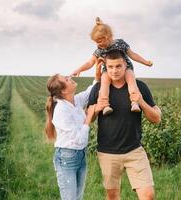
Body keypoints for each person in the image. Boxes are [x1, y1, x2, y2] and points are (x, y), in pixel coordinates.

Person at [88, 49, 161, 200]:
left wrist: (140, 101)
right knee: (113, 196)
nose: (114, 71)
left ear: (126, 65)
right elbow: (89, 118)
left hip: (134, 150)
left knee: (148, 196)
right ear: (106, 68)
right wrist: (97, 108)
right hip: (108, 152)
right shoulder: (99, 89)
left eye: (118, 66)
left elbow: (156, 118)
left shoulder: (140, 87)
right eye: (111, 67)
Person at [72, 17, 153, 116]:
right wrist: (79, 69)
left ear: (108, 37)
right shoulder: (99, 50)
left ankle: (134, 102)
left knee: (131, 79)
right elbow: (90, 62)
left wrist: (145, 62)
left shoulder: (120, 43)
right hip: (108, 71)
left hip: (125, 68)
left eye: (99, 41)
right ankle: (105, 105)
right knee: (104, 81)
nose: (98, 45)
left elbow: (133, 55)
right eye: (96, 43)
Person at [45, 71, 104, 200]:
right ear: (63, 91)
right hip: (67, 158)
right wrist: (89, 116)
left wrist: (97, 75)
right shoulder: (61, 110)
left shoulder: (75, 101)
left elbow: (90, 92)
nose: (69, 78)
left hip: (81, 155)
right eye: (66, 79)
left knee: (78, 197)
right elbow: (78, 139)